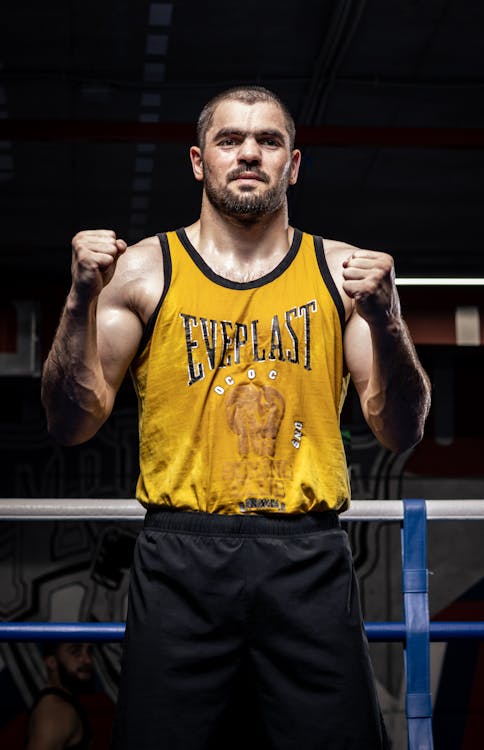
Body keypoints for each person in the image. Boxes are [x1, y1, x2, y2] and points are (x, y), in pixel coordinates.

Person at [41, 85, 431, 749]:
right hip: (180, 559)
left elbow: (401, 430)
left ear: (293, 164)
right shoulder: (141, 272)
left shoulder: (341, 274)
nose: (248, 153)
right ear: (199, 161)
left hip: (305, 556)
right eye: (229, 140)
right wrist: (79, 301)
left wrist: (388, 321)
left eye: (268, 141)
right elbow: (70, 422)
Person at [26, 642, 93, 750]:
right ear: (52, 662)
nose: (88, 660)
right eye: (76, 652)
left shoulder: (64, 702)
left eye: (89, 651)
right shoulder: (56, 709)